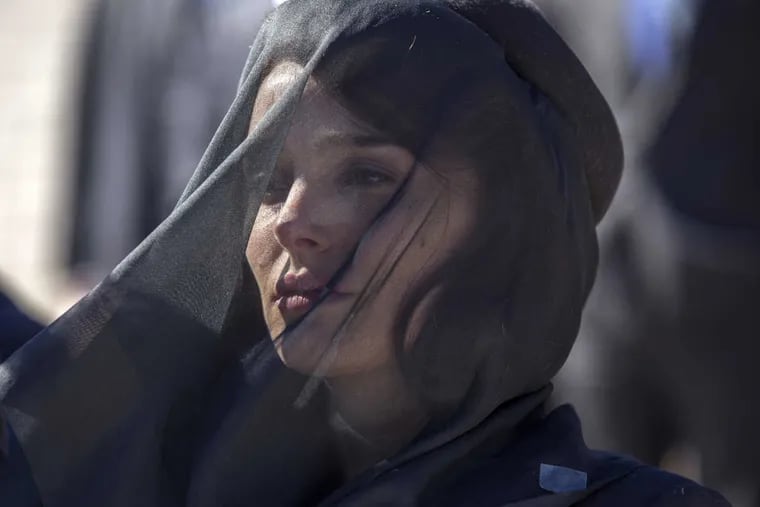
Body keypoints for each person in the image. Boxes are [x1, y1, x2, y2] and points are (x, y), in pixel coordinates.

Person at [0, 1, 729, 505]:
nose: (294, 222)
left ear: (503, 224)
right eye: (270, 179)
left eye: (368, 177)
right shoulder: (129, 479)